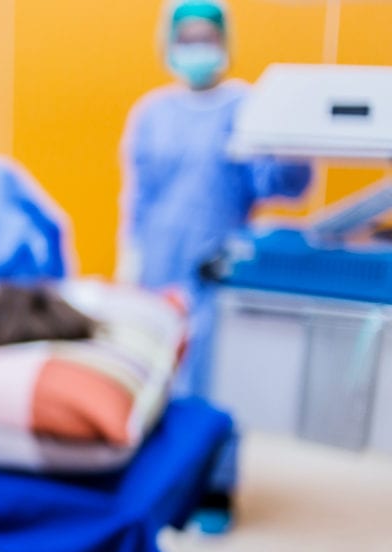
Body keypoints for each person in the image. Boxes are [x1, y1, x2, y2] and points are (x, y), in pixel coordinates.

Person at [119, 0, 312, 397]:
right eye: (187, 39)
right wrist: (130, 256)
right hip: (158, 265)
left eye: (206, 38)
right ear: (169, 44)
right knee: (154, 374)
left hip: (220, 267)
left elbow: (282, 185)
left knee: (215, 377)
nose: (197, 47)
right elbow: (138, 196)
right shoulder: (152, 112)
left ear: (225, 42)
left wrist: (294, 139)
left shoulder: (246, 106)